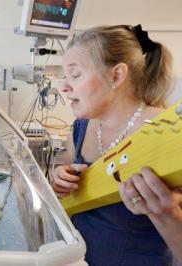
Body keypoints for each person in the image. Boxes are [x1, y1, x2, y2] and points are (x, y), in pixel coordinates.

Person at [51, 24, 182, 265]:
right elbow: (66, 184)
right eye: (64, 76)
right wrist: (60, 179)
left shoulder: (169, 138)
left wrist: (168, 215)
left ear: (116, 76)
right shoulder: (80, 128)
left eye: (75, 74)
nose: (65, 87)